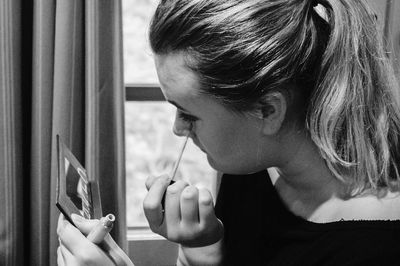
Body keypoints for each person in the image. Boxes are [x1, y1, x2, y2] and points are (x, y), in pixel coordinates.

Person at [57, 0, 400, 265]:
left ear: (268, 110)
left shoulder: (375, 250)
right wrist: (200, 246)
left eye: (189, 114)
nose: (177, 129)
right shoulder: (253, 165)